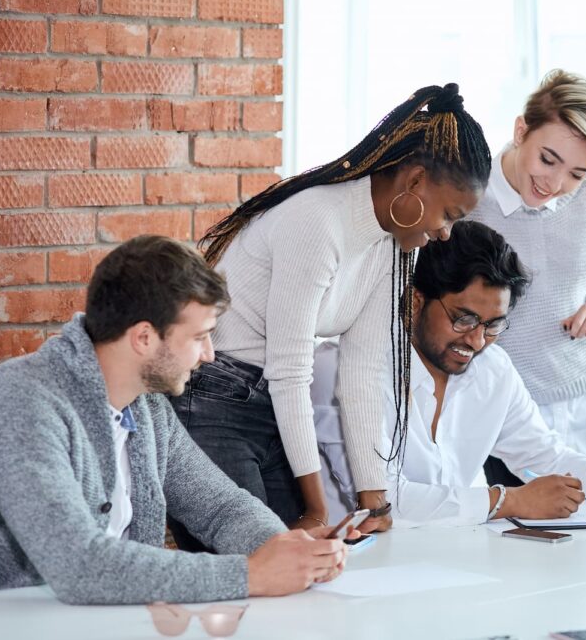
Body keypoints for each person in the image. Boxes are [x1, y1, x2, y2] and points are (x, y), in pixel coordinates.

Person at [170, 84, 492, 545]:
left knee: (296, 581)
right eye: (448, 214)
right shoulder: (317, 221)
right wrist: (317, 510)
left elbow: (360, 373)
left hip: (272, 409)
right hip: (212, 401)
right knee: (250, 569)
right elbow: (290, 370)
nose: (445, 233)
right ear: (415, 181)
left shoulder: (392, 245)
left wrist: (374, 502)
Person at [0, 236, 351, 604]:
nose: (210, 355)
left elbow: (222, 507)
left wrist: (285, 552)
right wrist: (251, 575)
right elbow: (79, 565)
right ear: (144, 338)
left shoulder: (146, 408)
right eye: (200, 337)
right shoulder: (20, 402)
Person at [383, 221, 586, 527]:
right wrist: (511, 500)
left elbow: (546, 456)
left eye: (493, 324)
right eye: (464, 319)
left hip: (447, 556)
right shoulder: (363, 368)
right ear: (416, 302)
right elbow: (384, 498)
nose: (477, 340)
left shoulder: (492, 369)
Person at [466, 70, 586, 488]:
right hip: (513, 421)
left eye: (577, 173)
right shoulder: (467, 203)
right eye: (548, 159)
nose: (556, 184)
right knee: (527, 550)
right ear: (521, 130)